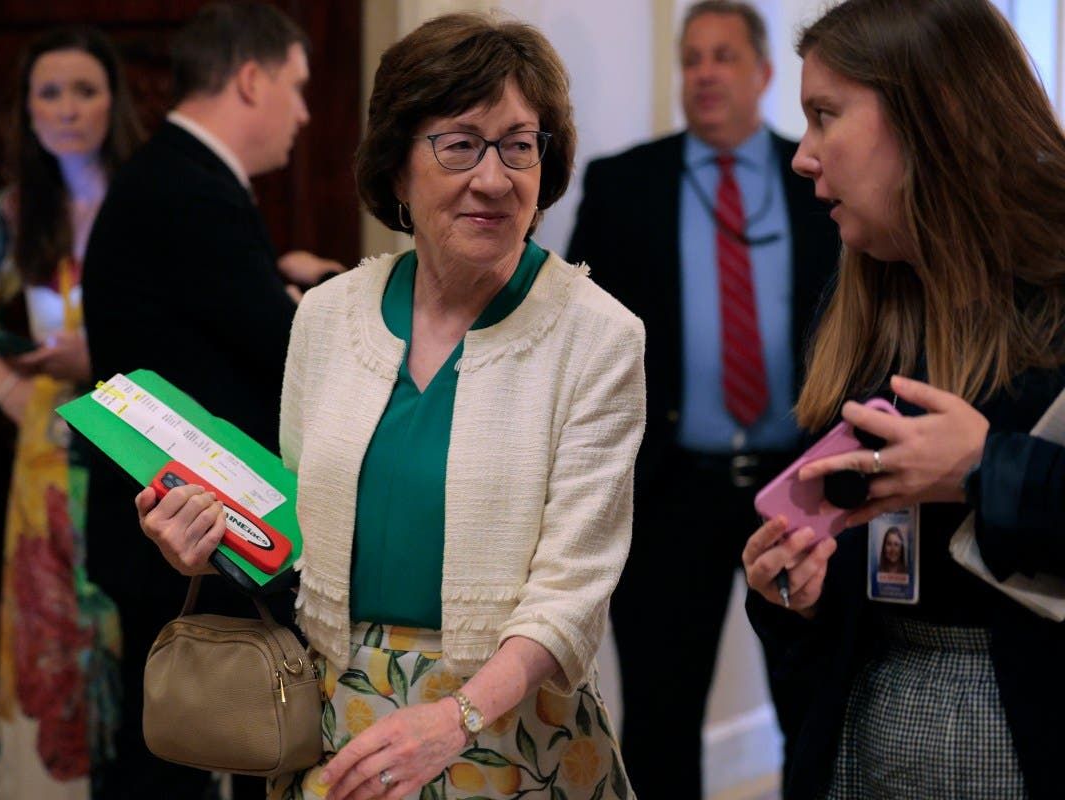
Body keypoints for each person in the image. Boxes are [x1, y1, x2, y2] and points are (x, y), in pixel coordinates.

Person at [138, 12, 645, 800]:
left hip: (509, 735)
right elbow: (297, 544)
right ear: (398, 167)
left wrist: (454, 720)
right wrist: (206, 546)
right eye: (460, 144)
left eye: (519, 145)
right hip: (334, 728)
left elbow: (572, 593)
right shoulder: (328, 317)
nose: (494, 178)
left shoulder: (598, 337)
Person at [741, 1, 1065, 797]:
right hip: (863, 728)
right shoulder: (865, 299)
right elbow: (841, 612)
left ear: (933, 114)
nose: (802, 157)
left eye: (825, 116)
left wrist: (986, 470)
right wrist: (792, 596)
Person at [564, 1, 839, 792]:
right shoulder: (625, 185)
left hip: (800, 488)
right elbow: (580, 338)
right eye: (692, 59)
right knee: (660, 717)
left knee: (813, 707)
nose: (705, 73)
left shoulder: (817, 180)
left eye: (724, 56)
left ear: (764, 73)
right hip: (668, 490)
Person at [81, 4, 340, 797]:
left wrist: (280, 280)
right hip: (181, 532)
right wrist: (331, 297)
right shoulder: (192, 188)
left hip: (172, 520)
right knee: (176, 763)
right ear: (251, 79)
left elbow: (210, 321)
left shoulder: (172, 175)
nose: (304, 112)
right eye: (297, 86)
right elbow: (285, 349)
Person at [0, 26, 142, 798]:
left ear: (113, 101)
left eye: (85, 90)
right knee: (51, 624)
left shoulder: (148, 199)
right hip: (48, 448)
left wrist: (103, 355)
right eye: (49, 93)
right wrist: (12, 392)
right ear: (27, 108)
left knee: (135, 618)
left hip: (143, 429)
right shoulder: (12, 214)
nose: (67, 109)